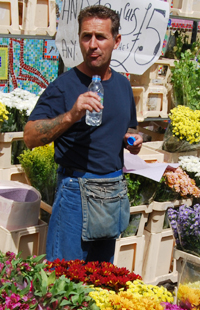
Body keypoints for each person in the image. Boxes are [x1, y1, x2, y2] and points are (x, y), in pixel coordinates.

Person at [24, 5, 143, 262]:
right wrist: (71, 115)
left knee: (101, 280)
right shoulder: (64, 86)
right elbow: (30, 137)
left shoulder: (123, 85)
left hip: (112, 192)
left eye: (100, 37)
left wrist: (132, 140)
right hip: (75, 193)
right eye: (86, 36)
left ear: (116, 40)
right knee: (65, 282)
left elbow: (129, 128)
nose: (92, 44)